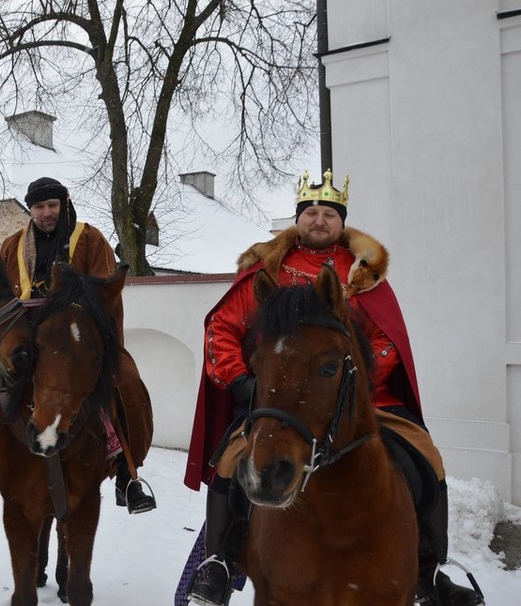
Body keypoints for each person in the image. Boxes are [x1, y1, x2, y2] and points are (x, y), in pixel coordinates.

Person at [182, 171, 484, 606]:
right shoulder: (265, 273)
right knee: (231, 459)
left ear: (342, 222)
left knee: (428, 458)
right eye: (310, 212)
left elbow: (387, 341)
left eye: (329, 213)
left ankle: (429, 569)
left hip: (364, 399)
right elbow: (222, 329)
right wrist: (245, 382)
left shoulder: (363, 277)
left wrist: (351, 385)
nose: (319, 220)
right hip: (279, 400)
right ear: (298, 218)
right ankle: (219, 561)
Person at [0, 177, 157, 514]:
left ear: (64, 204)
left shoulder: (89, 239)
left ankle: (127, 475)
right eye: (40, 207)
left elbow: (105, 294)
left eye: (53, 205)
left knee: (128, 382)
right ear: (30, 210)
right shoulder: (13, 244)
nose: (47, 213)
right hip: (22, 339)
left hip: (76, 341)